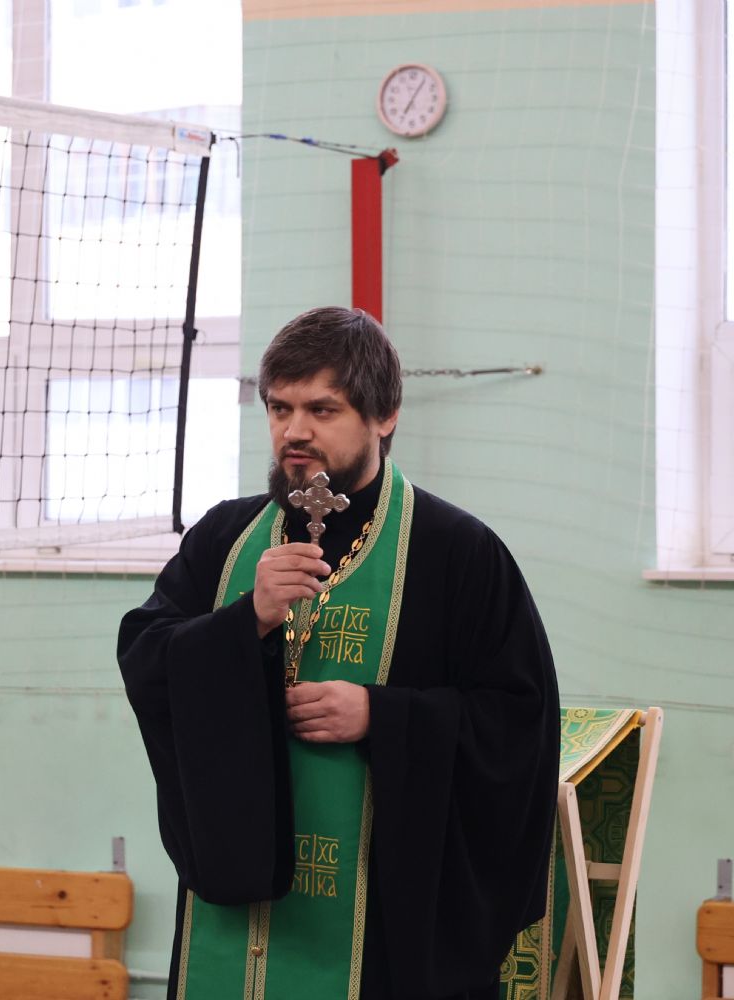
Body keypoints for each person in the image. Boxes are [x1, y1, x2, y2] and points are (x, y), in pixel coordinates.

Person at [118, 307, 559, 1000]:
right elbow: (146, 660)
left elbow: (519, 723)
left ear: (384, 415)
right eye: (279, 408)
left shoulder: (457, 552)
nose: (294, 431)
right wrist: (245, 621)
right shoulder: (226, 539)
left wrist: (383, 717)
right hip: (237, 890)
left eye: (322, 409)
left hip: (383, 917)